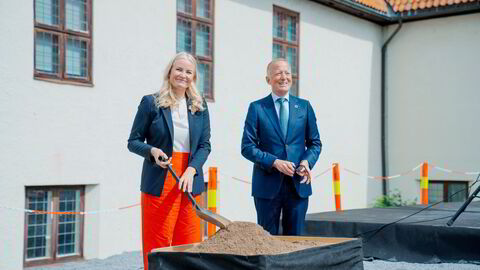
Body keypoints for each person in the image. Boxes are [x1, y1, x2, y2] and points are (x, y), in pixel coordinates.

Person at [127, 52, 211, 269]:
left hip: (189, 179)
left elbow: (204, 145)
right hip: (160, 179)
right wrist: (152, 151)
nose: (183, 75)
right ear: (170, 72)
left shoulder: (200, 106)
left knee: (190, 242)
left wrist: (192, 169)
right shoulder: (151, 103)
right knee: (158, 241)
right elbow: (133, 141)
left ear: (193, 77)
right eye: (179, 69)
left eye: (188, 71)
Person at [241, 58, 322, 236]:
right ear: (268, 79)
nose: (283, 77)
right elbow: (247, 146)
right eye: (278, 73)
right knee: (267, 242)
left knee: (296, 241)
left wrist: (306, 163)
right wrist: (275, 162)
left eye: (287, 72)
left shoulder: (304, 107)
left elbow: (315, 143)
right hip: (267, 186)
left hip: (298, 185)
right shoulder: (257, 108)